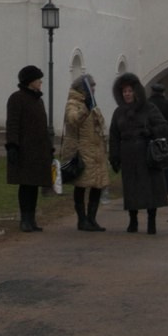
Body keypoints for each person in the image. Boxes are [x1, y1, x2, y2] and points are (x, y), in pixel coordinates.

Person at [107, 72, 168, 234]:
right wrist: (114, 156)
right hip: (128, 154)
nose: (127, 94)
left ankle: (151, 220)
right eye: (124, 92)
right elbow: (114, 135)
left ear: (136, 91)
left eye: (130, 91)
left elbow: (163, 126)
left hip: (146, 153)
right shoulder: (119, 112)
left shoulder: (148, 108)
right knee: (131, 188)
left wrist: (149, 131)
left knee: (151, 187)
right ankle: (133, 220)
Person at [59, 72, 110, 231]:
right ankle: (82, 220)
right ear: (83, 89)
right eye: (92, 86)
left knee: (97, 185)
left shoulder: (92, 104)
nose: (94, 89)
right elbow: (73, 120)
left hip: (96, 152)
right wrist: (85, 109)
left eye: (94, 86)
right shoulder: (73, 103)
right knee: (81, 186)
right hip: (82, 152)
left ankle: (91, 219)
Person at [5, 65, 53, 232]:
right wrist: (12, 146)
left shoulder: (38, 100)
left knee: (34, 185)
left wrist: (49, 147)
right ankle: (24, 219)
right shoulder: (17, 99)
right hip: (24, 150)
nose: (40, 82)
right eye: (38, 79)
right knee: (25, 186)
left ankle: (31, 219)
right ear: (30, 81)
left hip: (38, 151)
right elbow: (12, 124)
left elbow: (43, 127)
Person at [149, 84, 168, 196]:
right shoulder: (167, 103)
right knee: (167, 163)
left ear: (152, 91)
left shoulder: (148, 103)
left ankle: (154, 188)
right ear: (163, 92)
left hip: (152, 137)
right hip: (166, 138)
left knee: (153, 163)